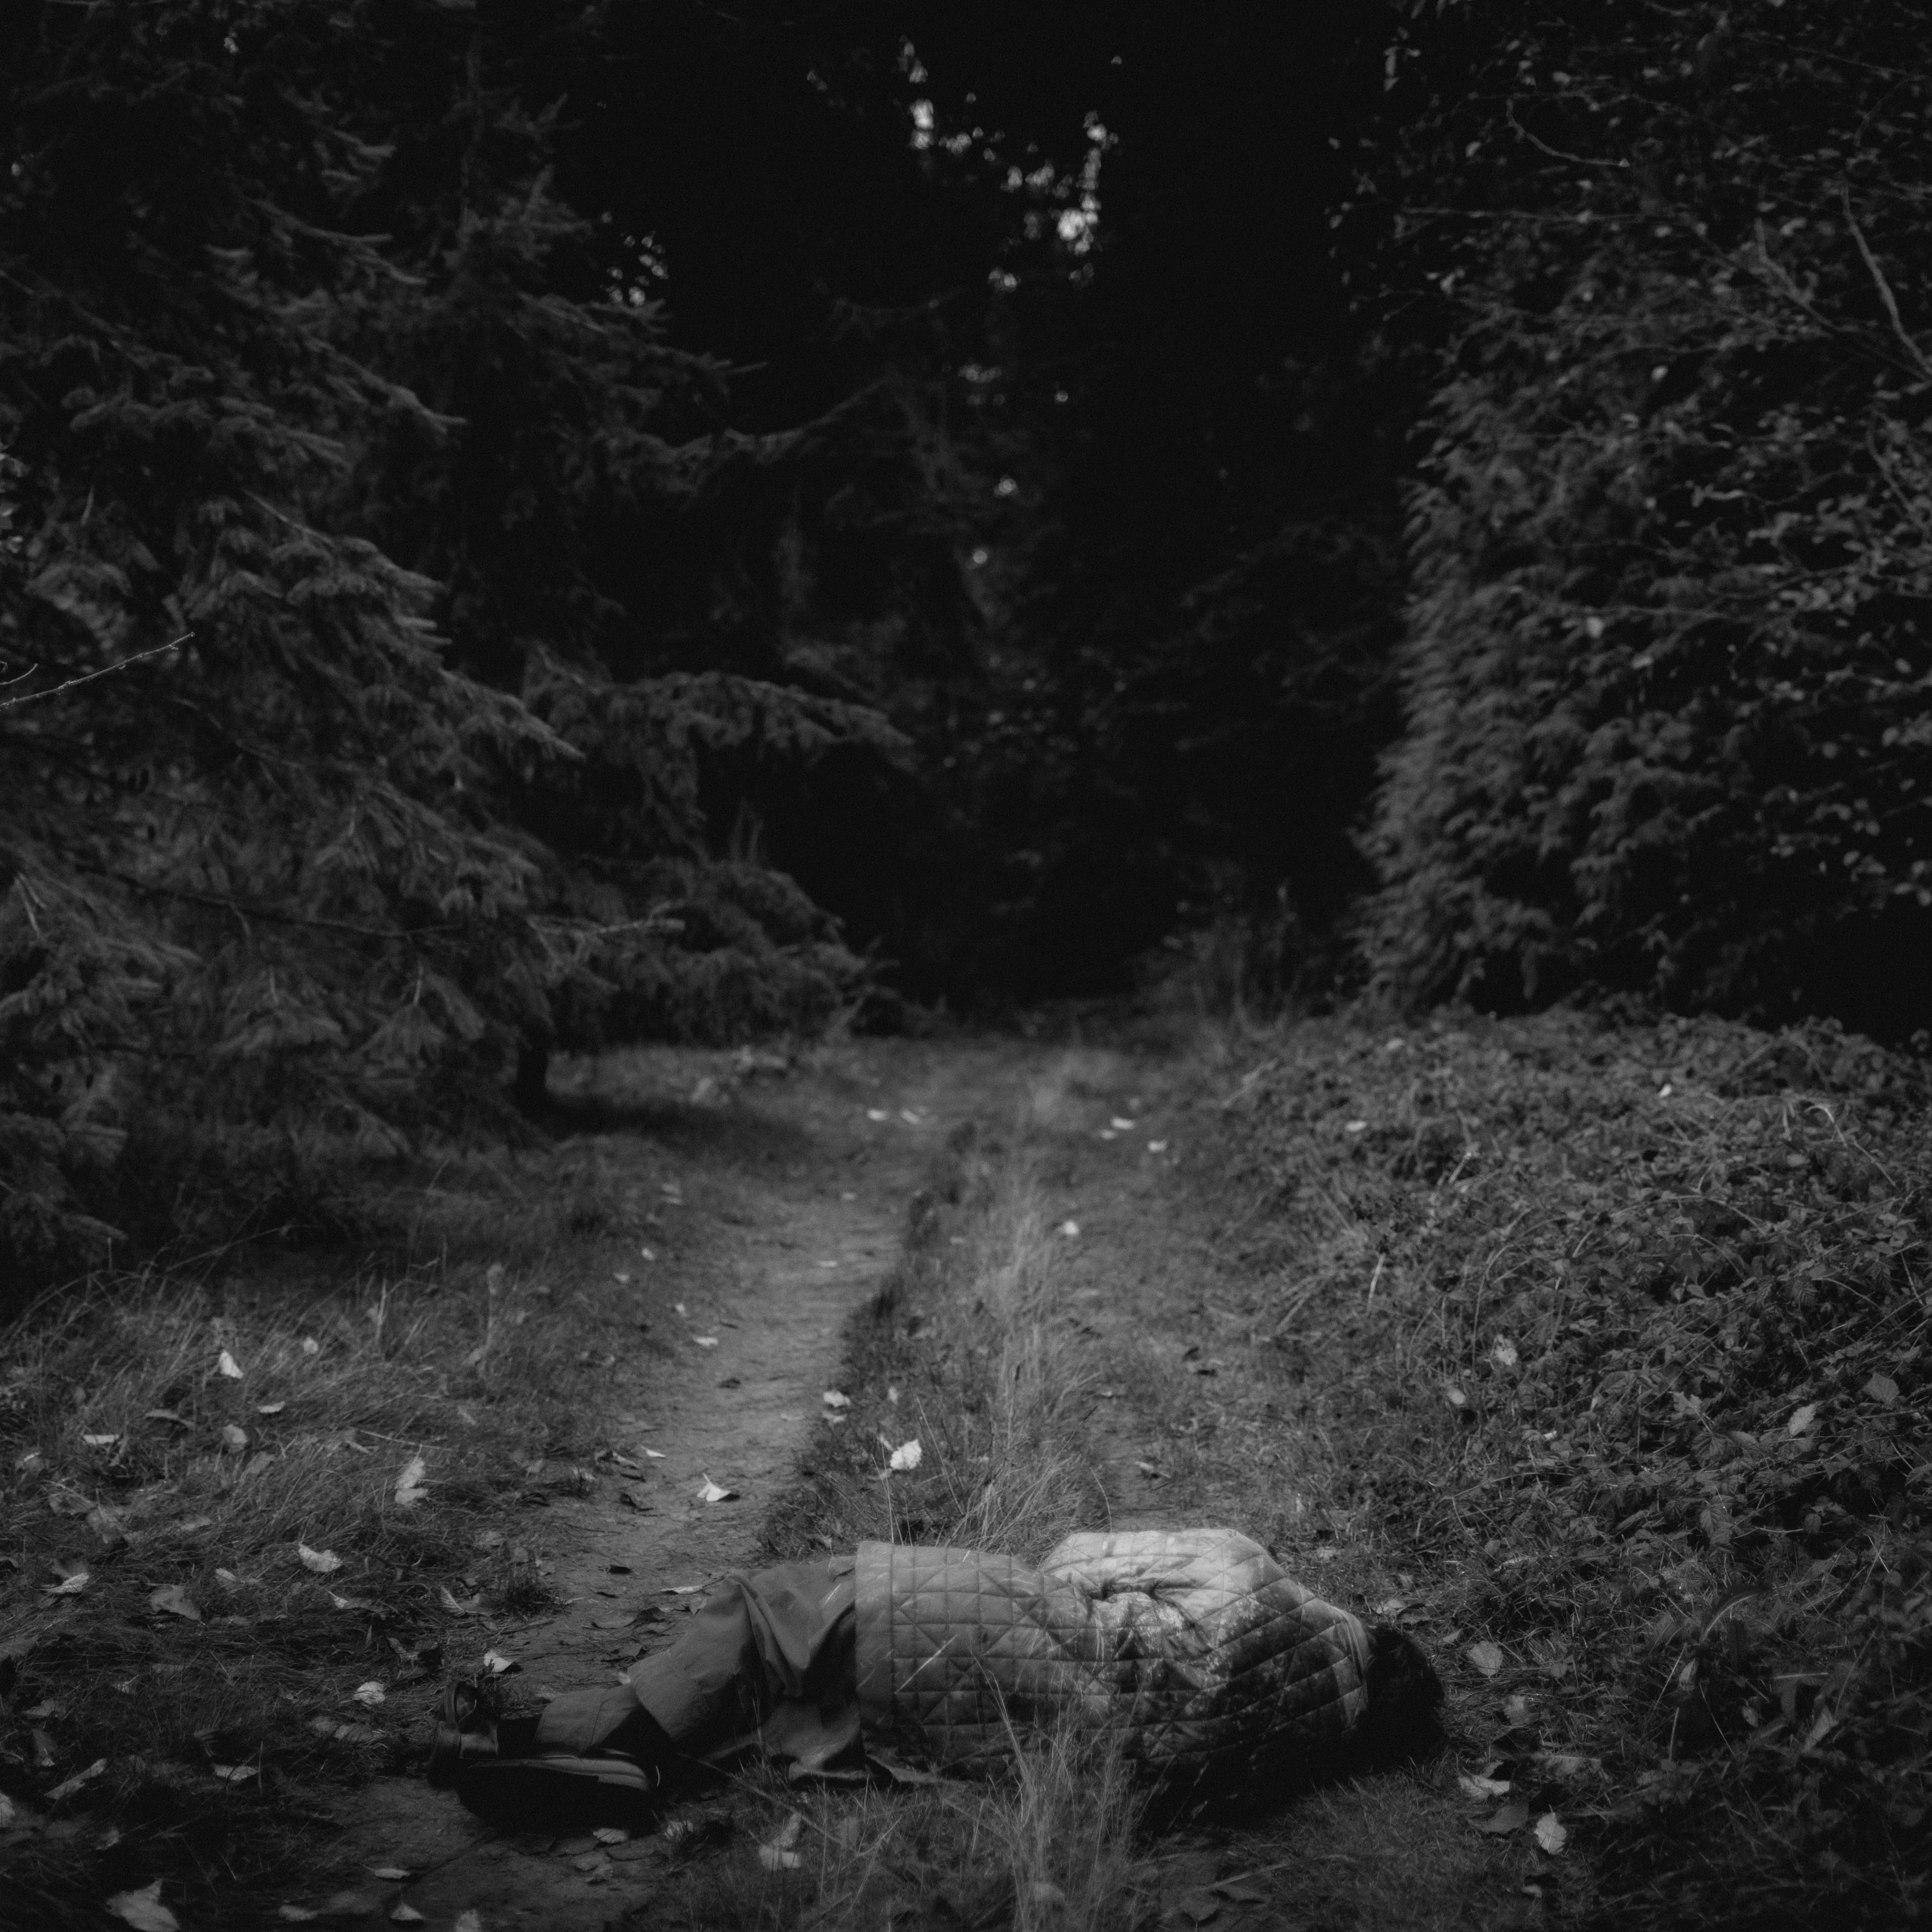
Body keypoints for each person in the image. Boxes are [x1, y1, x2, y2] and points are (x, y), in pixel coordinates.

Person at [429, 1527, 1442, 1828]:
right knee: (814, 1704)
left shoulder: (1253, 1570)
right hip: (1029, 1745)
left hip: (1028, 1627)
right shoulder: (1287, 1768)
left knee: (776, 1614)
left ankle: (576, 1740)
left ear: (1367, 1632)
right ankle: (614, 1765)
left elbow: (1085, 1558)